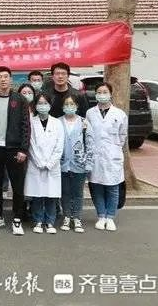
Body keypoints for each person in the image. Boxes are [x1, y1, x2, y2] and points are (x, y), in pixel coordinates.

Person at [0, 66, 31, 236]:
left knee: (17, 185)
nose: (3, 79)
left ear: (10, 79)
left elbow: (26, 126)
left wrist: (23, 149)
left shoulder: (20, 100)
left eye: (5, 77)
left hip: (14, 149)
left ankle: (17, 218)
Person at [86, 82, 127, 232]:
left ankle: (110, 217)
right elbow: (88, 134)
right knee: (96, 186)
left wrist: (114, 148)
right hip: (95, 155)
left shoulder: (120, 114)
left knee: (112, 187)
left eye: (105, 92)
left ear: (110, 94)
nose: (102, 95)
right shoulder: (90, 113)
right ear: (95, 94)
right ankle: (101, 216)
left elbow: (122, 135)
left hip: (112, 155)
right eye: (99, 92)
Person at [24, 94, 65, 234]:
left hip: (52, 165)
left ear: (50, 105)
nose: (43, 106)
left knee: (51, 195)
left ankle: (50, 222)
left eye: (45, 103)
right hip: (36, 164)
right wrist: (39, 161)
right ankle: (38, 220)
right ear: (35, 106)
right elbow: (31, 144)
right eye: (40, 103)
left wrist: (50, 162)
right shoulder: (31, 122)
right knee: (37, 195)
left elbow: (59, 145)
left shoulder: (57, 123)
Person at [60, 94, 93, 233]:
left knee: (78, 193)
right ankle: (67, 216)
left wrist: (89, 162)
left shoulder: (84, 122)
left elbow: (90, 143)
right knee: (65, 192)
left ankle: (77, 218)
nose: (69, 107)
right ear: (63, 107)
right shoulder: (58, 122)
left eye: (72, 104)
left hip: (79, 163)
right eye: (66, 104)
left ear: (77, 106)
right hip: (62, 164)